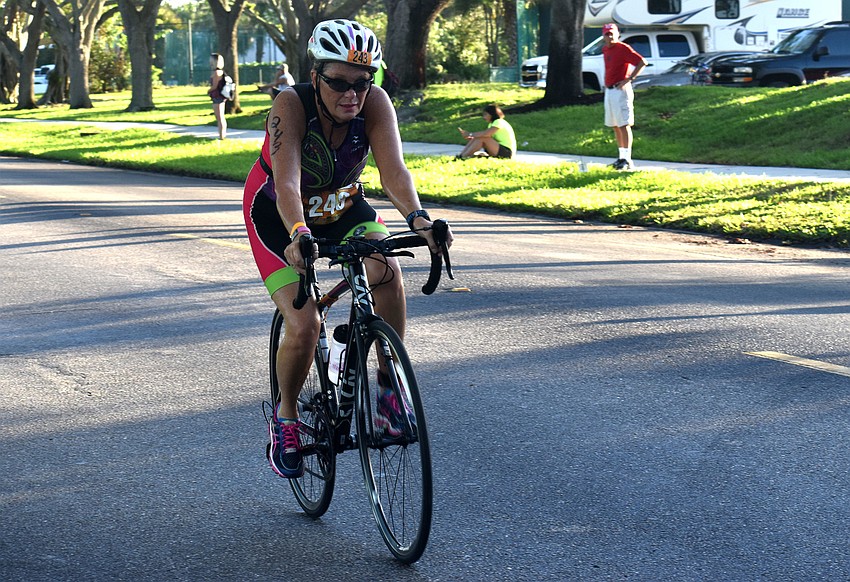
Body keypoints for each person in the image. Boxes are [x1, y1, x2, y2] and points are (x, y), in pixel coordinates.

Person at [242, 19, 453, 479]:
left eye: (362, 81)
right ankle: (286, 418)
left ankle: (389, 388)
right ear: (316, 76)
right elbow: (287, 182)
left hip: (343, 206)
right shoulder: (290, 105)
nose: (352, 94)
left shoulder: (375, 103)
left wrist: (418, 219)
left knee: (387, 271)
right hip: (280, 214)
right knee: (305, 324)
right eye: (339, 82)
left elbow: (394, 171)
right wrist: (299, 232)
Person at [601, 23, 647, 170]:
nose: (610, 36)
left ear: (617, 34)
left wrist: (629, 79)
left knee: (623, 124)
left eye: (612, 33)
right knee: (615, 125)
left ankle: (627, 160)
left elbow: (642, 62)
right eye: (607, 34)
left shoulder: (623, 48)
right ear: (603, 36)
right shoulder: (605, 49)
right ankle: (621, 158)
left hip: (620, 90)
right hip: (609, 90)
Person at [207, 53, 228, 140]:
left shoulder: (216, 72)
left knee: (219, 117)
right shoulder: (220, 72)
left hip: (217, 96)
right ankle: (222, 135)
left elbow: (215, 86)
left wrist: (208, 91)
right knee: (220, 117)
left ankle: (221, 136)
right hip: (219, 96)